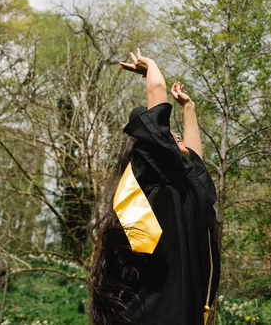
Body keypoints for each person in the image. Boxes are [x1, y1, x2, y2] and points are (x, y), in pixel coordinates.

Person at [87, 49, 220, 325]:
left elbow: (196, 161)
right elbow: (156, 110)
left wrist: (189, 108)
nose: (177, 135)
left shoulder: (187, 188)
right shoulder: (156, 178)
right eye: (171, 134)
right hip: (157, 311)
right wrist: (152, 70)